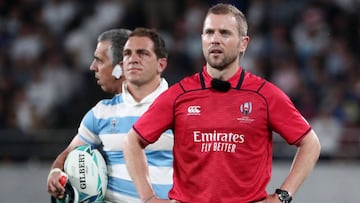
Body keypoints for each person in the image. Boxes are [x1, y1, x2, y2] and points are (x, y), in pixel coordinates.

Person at [123, 3, 321, 203]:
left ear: (243, 43)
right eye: (209, 33)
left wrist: (283, 196)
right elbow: (132, 141)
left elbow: (310, 143)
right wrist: (148, 198)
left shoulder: (265, 95)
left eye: (224, 33)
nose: (215, 39)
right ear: (202, 39)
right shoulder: (179, 94)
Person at [47, 28, 173, 203]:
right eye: (129, 54)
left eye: (99, 60)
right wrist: (55, 173)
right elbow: (68, 154)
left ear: (118, 68)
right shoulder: (100, 113)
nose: (92, 67)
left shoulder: (181, 110)